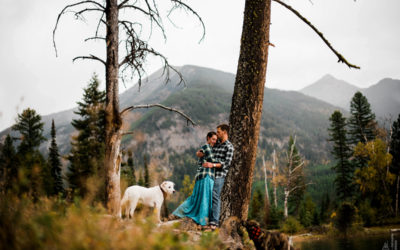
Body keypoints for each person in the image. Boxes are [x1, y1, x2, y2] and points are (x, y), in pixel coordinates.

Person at [172, 132, 218, 226]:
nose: (214, 141)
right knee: (205, 198)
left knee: (196, 197)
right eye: (213, 139)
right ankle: (203, 221)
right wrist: (220, 162)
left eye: (216, 140)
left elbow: (200, 155)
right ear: (208, 138)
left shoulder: (205, 148)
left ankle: (177, 213)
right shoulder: (207, 147)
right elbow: (213, 160)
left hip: (201, 176)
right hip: (206, 175)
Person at [199, 124, 234, 230]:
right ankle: (203, 220)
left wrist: (213, 165)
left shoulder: (229, 147)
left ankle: (214, 222)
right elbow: (207, 150)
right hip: (209, 174)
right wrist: (200, 152)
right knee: (206, 195)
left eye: (218, 132)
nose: (217, 133)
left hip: (219, 175)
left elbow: (226, 164)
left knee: (215, 197)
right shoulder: (217, 144)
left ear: (224, 132)